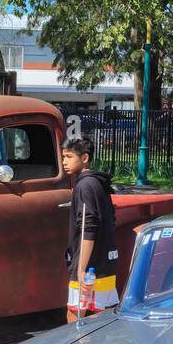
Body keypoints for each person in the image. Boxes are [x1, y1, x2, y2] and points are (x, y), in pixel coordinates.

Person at [60, 137, 118, 323]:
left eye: (69, 157)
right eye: (63, 157)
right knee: (102, 313)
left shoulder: (84, 185)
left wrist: (81, 269)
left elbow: (88, 227)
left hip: (89, 267)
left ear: (85, 158)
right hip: (105, 263)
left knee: (75, 314)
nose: (64, 162)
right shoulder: (98, 183)